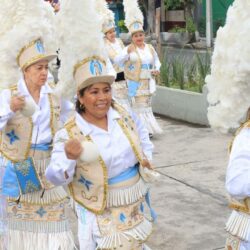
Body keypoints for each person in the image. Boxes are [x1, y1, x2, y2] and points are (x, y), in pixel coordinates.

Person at [46, 0, 158, 249]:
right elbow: (54, 176)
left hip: (133, 206)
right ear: (81, 97)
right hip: (99, 214)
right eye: (94, 92)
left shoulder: (124, 115)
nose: (102, 97)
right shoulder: (71, 133)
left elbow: (142, 135)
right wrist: (68, 157)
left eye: (106, 90)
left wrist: (146, 157)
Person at [0, 1, 75, 249]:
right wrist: (7, 109)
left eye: (46, 67)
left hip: (50, 162)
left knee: (56, 223)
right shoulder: (9, 95)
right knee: (22, 226)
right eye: (38, 68)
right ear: (25, 70)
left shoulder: (53, 94)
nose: (44, 73)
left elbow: (69, 119)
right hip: (21, 164)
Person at [114, 0, 162, 137]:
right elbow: (118, 60)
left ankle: (147, 129)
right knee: (139, 106)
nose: (139, 38)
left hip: (148, 79)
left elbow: (157, 61)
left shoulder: (150, 48)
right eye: (136, 36)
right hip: (135, 81)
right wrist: (126, 53)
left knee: (146, 104)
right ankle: (143, 130)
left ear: (144, 35)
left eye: (141, 35)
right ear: (132, 37)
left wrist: (157, 69)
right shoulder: (129, 49)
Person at [96, 0, 130, 110]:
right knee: (119, 105)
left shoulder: (119, 41)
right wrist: (129, 50)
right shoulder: (105, 45)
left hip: (125, 76)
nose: (113, 34)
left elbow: (126, 58)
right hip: (115, 78)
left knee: (128, 103)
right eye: (110, 32)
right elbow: (116, 59)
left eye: (113, 31)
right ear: (105, 35)